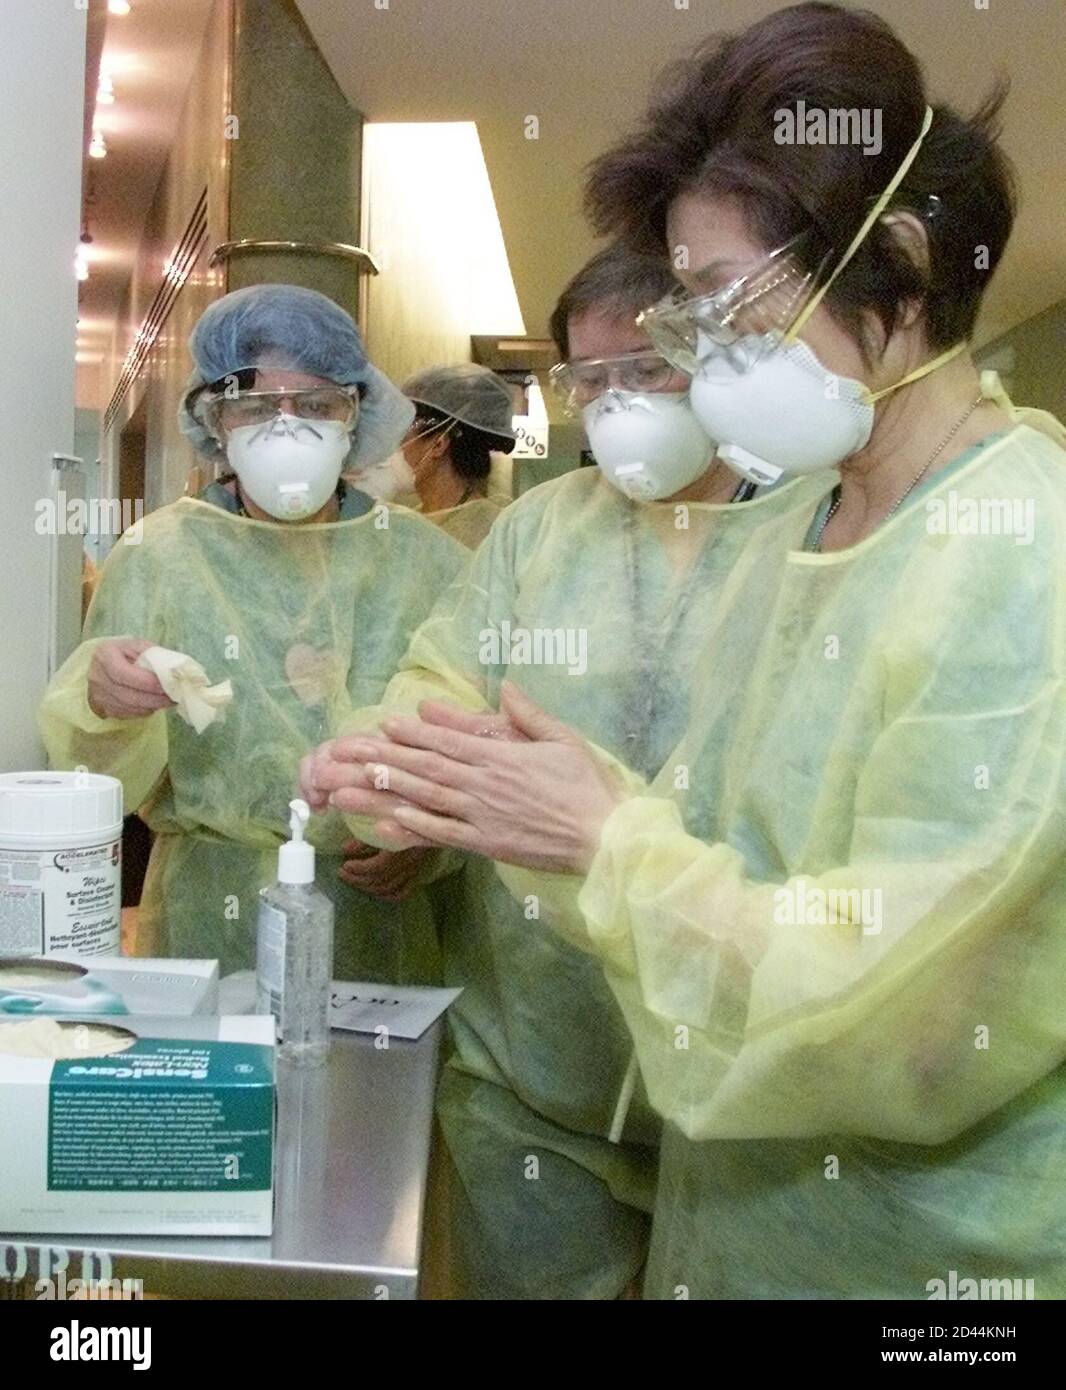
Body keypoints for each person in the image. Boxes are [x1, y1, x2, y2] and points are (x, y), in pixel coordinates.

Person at [312, 2, 1066, 1300]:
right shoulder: (823, 524)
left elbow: (899, 1018)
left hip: (915, 1256)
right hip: (724, 1221)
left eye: (718, 308)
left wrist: (604, 839)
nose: (693, 368)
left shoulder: (1014, 555)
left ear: (890, 256)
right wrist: (437, 790)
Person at [301, 245, 831, 1298]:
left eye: (647, 373)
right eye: (588, 382)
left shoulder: (823, 527)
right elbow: (442, 679)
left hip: (746, 1074)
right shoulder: (544, 530)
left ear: (721, 355)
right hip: (536, 1064)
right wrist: (387, 770)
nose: (615, 406)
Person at [38, 284, 467, 980]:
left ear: (357, 415)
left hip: (376, 914)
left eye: (317, 405)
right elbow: (96, 777)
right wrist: (104, 704)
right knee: (216, 1089)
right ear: (215, 419)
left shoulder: (427, 562)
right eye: (257, 406)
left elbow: (478, 735)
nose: (287, 426)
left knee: (366, 1089)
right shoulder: (160, 553)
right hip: (207, 911)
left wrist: (435, 844)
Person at [350, 364, 518, 549]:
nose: (391, 450)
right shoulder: (407, 523)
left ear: (438, 444)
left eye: (401, 437)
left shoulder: (492, 531)